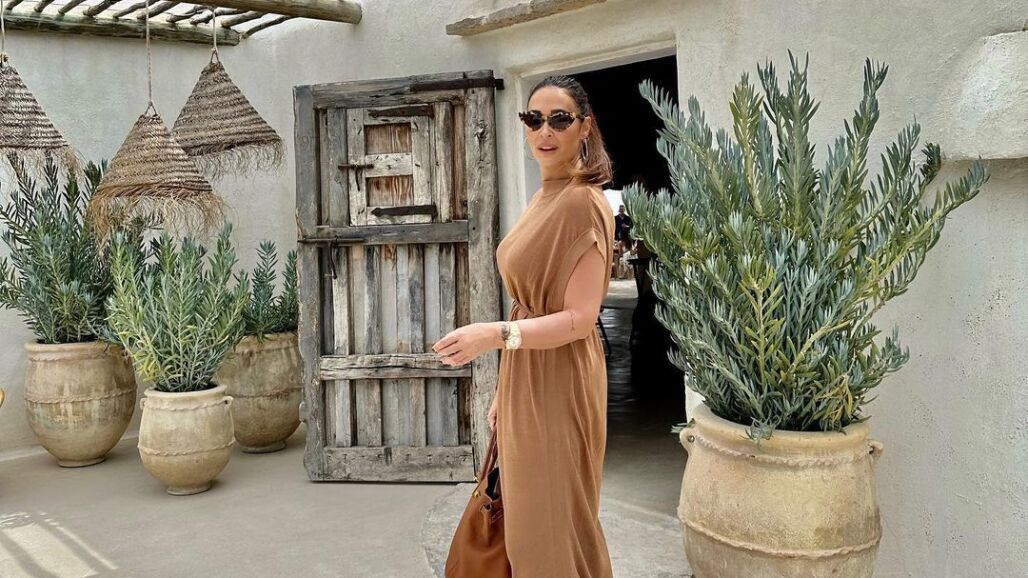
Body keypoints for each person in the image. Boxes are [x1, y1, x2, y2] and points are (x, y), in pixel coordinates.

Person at [433, 74, 615, 577]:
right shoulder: (545, 196)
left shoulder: (581, 201)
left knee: (551, 523)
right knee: (528, 519)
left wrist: (491, 335)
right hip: (527, 372)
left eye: (559, 119)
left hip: (560, 377)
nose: (545, 131)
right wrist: (505, 391)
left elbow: (580, 319)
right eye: (534, 119)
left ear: (584, 127)